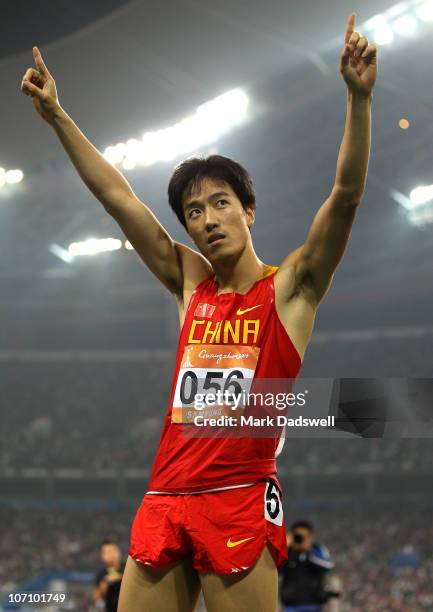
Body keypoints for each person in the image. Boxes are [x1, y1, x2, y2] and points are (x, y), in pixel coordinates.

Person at [21, 12, 376, 612]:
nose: (207, 219)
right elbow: (118, 199)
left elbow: (345, 196)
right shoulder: (191, 284)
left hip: (236, 496)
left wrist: (359, 99)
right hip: (165, 494)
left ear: (250, 211)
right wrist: (58, 115)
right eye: (193, 211)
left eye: (220, 203)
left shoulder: (292, 288)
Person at [279, 521, 336, 612]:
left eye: (304, 537)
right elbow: (277, 571)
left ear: (311, 537)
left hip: (315, 605)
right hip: (291, 606)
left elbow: (328, 566)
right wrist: (283, 547)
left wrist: (308, 551)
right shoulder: (288, 552)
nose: (300, 539)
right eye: (298, 536)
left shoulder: (317, 549)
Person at [93, 540, 125, 612]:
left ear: (118, 552)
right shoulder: (102, 574)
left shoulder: (126, 568)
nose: (111, 555)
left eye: (113, 551)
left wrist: (119, 577)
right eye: (107, 552)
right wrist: (106, 582)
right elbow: (97, 598)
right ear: (102, 556)